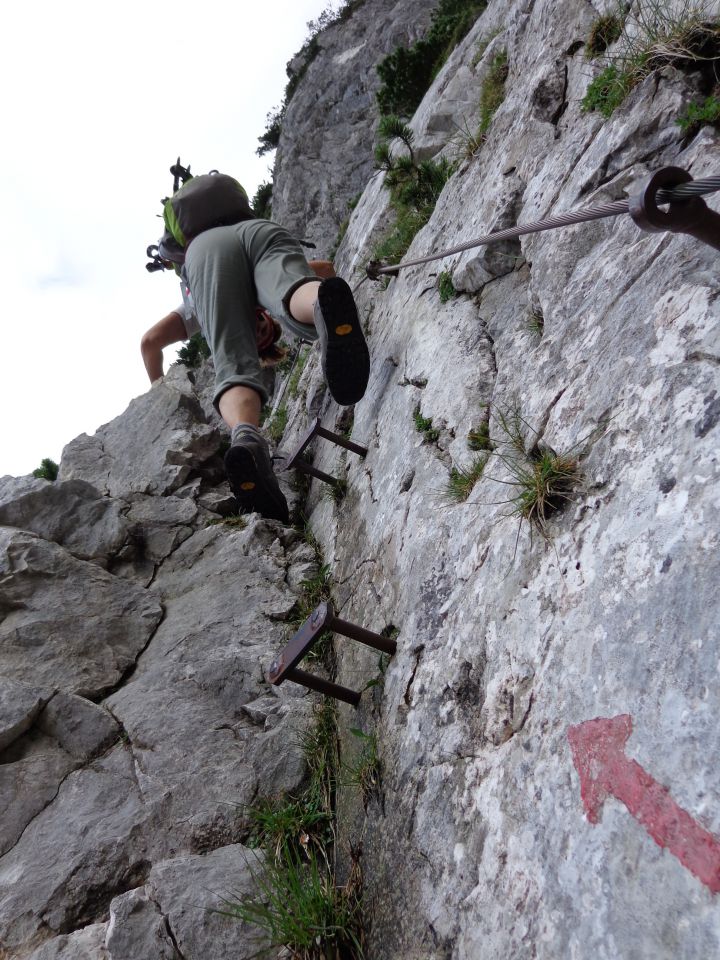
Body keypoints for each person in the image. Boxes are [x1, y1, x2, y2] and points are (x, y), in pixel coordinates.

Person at [140, 219, 370, 524]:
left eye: (257, 328)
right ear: (265, 318)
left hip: (207, 250)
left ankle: (247, 439)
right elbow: (326, 269)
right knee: (291, 293)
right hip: (259, 232)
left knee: (235, 361)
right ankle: (315, 304)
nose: (254, 322)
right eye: (261, 327)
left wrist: (159, 392)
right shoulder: (237, 297)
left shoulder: (204, 302)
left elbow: (150, 343)